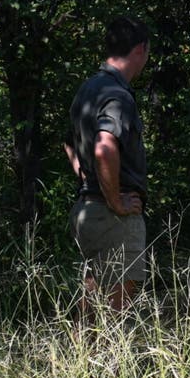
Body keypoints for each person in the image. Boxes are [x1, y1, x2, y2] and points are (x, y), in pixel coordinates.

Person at [65, 16, 151, 313]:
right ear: (141, 49)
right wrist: (115, 201)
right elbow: (104, 147)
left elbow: (68, 142)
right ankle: (104, 361)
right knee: (115, 313)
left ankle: (78, 360)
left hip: (89, 210)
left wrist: (87, 179)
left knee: (91, 305)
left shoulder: (89, 89)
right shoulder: (117, 95)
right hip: (111, 217)